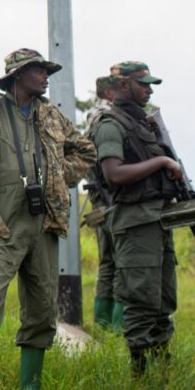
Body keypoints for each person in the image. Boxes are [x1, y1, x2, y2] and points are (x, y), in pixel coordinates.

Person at [0, 48, 95, 390]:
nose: (45, 77)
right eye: (38, 71)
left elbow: (85, 152)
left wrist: (57, 177)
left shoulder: (51, 117)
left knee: (43, 307)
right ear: (17, 75)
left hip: (44, 225)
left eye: (46, 71)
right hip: (0, 225)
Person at [90, 62, 181, 376]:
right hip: (135, 222)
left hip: (158, 220)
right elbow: (113, 173)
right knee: (141, 301)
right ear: (124, 85)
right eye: (144, 84)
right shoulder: (109, 123)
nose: (150, 90)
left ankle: (161, 371)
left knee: (163, 299)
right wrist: (161, 161)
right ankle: (141, 375)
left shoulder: (144, 122)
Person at [83, 75, 122, 332]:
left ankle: (102, 325)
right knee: (122, 261)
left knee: (108, 262)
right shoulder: (108, 119)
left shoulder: (91, 117)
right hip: (111, 197)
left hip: (99, 199)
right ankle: (119, 325)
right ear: (109, 92)